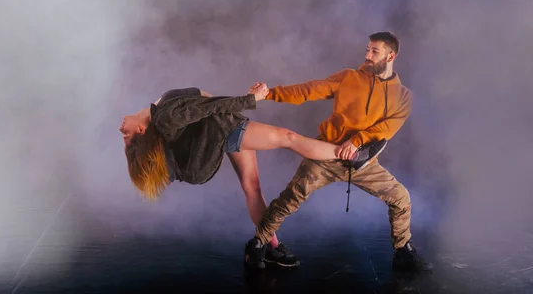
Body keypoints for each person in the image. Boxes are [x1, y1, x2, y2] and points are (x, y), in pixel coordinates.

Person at [120, 82, 385, 268]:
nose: (122, 130)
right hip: (225, 128)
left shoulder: (158, 112)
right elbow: (208, 109)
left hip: (221, 131)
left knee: (252, 188)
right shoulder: (163, 116)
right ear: (142, 132)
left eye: (124, 135)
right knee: (288, 137)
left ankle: (269, 248)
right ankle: (351, 155)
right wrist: (252, 99)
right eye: (126, 135)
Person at [244, 32, 433, 272]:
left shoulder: (404, 96)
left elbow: (387, 128)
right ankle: (258, 244)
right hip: (325, 155)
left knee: (401, 198)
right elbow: (309, 90)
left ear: (391, 55)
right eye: (367, 49)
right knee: (291, 198)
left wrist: (357, 141)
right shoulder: (349, 77)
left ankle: (403, 250)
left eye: (374, 51)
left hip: (364, 163)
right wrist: (270, 93)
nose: (367, 55)